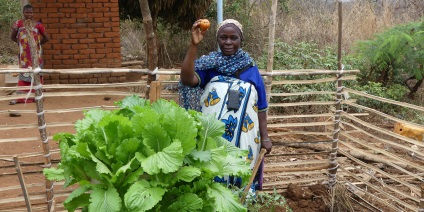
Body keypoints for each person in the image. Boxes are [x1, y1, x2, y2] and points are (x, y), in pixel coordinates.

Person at [179, 19, 272, 191]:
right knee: (212, 171)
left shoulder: (251, 68)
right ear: (217, 40)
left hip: (246, 136)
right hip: (214, 135)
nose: (228, 42)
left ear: (240, 40)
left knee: (242, 170)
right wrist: (194, 45)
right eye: (223, 37)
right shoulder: (209, 65)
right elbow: (186, 79)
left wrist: (265, 137)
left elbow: (261, 106)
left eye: (233, 38)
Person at [9, 4, 49, 105]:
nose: (29, 14)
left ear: (33, 13)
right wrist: (22, 45)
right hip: (24, 57)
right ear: (23, 12)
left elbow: (47, 38)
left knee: (36, 74)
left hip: (36, 55)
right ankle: (20, 98)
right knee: (24, 74)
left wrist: (37, 45)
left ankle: (37, 96)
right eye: (27, 12)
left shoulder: (38, 24)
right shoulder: (18, 23)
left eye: (31, 12)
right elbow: (12, 37)